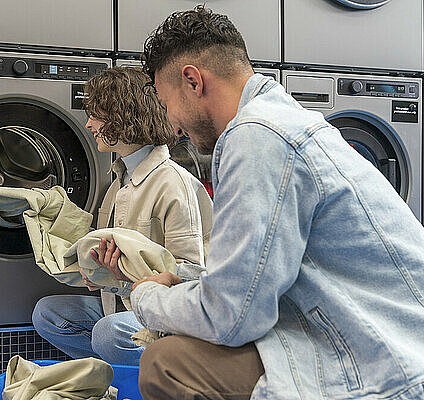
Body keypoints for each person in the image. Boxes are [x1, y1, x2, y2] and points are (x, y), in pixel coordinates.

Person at [118, 6, 424, 400]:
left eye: (166, 103)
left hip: (394, 366)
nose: (172, 125)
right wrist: (186, 282)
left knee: (169, 364)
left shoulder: (256, 137)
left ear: (193, 81)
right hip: (392, 340)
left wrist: (145, 297)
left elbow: (231, 315)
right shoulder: (282, 121)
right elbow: (264, 279)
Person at [31, 66, 212, 366]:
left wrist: (124, 281)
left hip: (169, 319)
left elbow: (191, 277)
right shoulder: (117, 183)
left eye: (96, 116)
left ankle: (139, 380)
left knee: (107, 333)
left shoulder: (171, 183)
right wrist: (98, 274)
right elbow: (116, 260)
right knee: (48, 314)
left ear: (123, 117)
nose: (88, 125)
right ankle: (116, 376)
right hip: (120, 305)